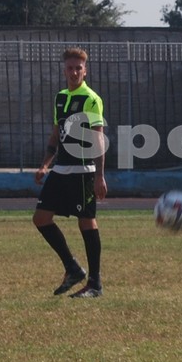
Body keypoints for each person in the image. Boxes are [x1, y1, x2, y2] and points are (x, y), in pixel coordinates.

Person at [32, 47, 107, 297]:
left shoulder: (91, 99)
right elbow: (56, 134)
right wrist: (45, 164)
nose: (74, 72)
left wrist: (99, 176)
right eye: (70, 68)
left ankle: (95, 284)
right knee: (41, 218)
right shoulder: (60, 98)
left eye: (78, 68)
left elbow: (98, 139)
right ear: (64, 70)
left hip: (83, 171)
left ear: (85, 71)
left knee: (86, 221)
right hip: (61, 169)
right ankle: (72, 268)